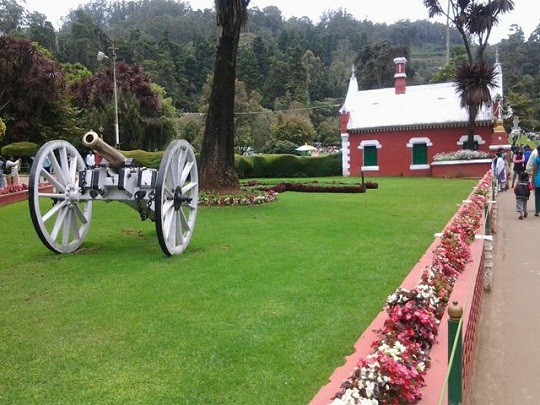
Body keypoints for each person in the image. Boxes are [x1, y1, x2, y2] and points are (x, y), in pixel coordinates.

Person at [532, 146, 540, 216]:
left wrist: (532, 180)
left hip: (538, 179)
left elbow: (535, 170)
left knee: (537, 196)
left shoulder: (536, 159)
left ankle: (537, 211)